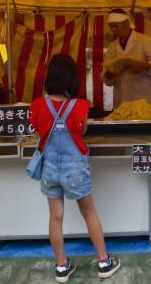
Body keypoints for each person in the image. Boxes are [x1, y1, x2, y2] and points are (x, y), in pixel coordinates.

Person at [29, 54, 121, 282]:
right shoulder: (80, 106)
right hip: (75, 169)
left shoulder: (38, 105)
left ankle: (61, 267)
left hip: (50, 168)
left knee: (55, 218)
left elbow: (37, 129)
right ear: (72, 80)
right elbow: (82, 131)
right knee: (89, 213)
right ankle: (103, 262)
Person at [102, 9, 151, 108]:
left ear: (126, 23)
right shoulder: (112, 47)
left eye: (115, 26)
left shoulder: (145, 41)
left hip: (143, 102)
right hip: (121, 103)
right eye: (111, 26)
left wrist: (145, 66)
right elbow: (107, 79)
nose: (113, 29)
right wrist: (109, 74)